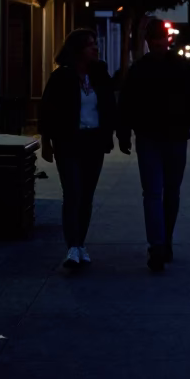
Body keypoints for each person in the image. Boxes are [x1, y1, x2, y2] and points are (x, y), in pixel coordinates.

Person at [117, 17, 190, 272]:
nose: (157, 43)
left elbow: (127, 103)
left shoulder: (145, 68)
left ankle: (161, 242)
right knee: (161, 193)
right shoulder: (170, 67)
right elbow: (127, 104)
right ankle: (160, 244)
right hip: (159, 137)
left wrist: (124, 133)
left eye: (159, 39)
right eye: (154, 39)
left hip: (163, 137)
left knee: (160, 193)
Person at [38, 29, 117, 270]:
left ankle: (81, 244)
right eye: (90, 45)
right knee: (72, 194)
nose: (96, 48)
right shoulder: (62, 77)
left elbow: (110, 105)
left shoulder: (100, 75)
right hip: (69, 142)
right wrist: (46, 142)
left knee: (86, 196)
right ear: (77, 50)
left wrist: (110, 134)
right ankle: (72, 247)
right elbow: (47, 109)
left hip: (93, 142)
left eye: (95, 44)